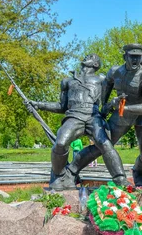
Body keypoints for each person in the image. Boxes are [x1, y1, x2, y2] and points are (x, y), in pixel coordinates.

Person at [55, 44, 142, 188]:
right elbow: (106, 86)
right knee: (101, 145)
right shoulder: (115, 72)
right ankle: (72, 171)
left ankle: (138, 173)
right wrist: (105, 107)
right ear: (125, 57)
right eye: (132, 57)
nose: (135, 61)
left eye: (138, 58)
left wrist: (121, 107)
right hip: (121, 116)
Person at [27, 54, 128, 190]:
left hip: (94, 117)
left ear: (96, 65)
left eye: (92, 57)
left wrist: (112, 104)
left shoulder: (102, 80)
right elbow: (62, 107)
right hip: (74, 116)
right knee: (60, 144)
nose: (88, 56)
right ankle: (59, 176)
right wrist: (38, 104)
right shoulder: (67, 81)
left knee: (106, 145)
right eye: (88, 55)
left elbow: (104, 105)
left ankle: (120, 180)